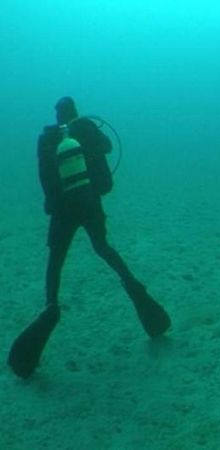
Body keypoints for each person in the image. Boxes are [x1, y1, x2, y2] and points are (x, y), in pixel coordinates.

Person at [7, 97, 171, 379]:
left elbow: (43, 176)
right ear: (75, 112)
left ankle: (51, 302)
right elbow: (108, 147)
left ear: (57, 115)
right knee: (103, 247)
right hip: (89, 203)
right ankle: (132, 284)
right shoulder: (85, 128)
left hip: (62, 210)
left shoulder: (48, 138)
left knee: (56, 259)